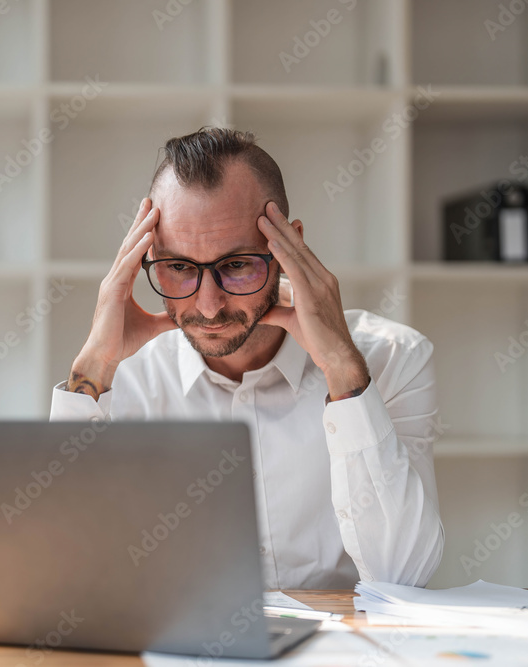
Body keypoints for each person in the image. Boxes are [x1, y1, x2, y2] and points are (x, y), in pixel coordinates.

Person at [49, 127, 443, 589]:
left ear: (288, 250)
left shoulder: (393, 358)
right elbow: (61, 567)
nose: (209, 306)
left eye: (236, 266)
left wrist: (341, 369)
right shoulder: (125, 376)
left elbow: (404, 573)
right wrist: (94, 364)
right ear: (146, 259)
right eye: (178, 268)